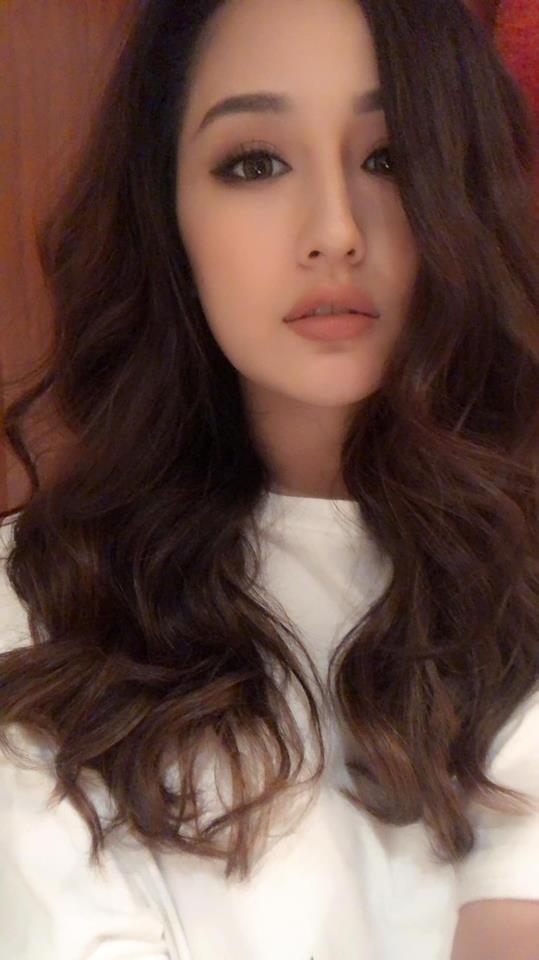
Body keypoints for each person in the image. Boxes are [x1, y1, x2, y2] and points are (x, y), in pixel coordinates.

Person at [1, 0, 539, 957]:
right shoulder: (34, 608)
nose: (334, 231)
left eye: (391, 158)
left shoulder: (520, 579)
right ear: (167, 215)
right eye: (253, 163)